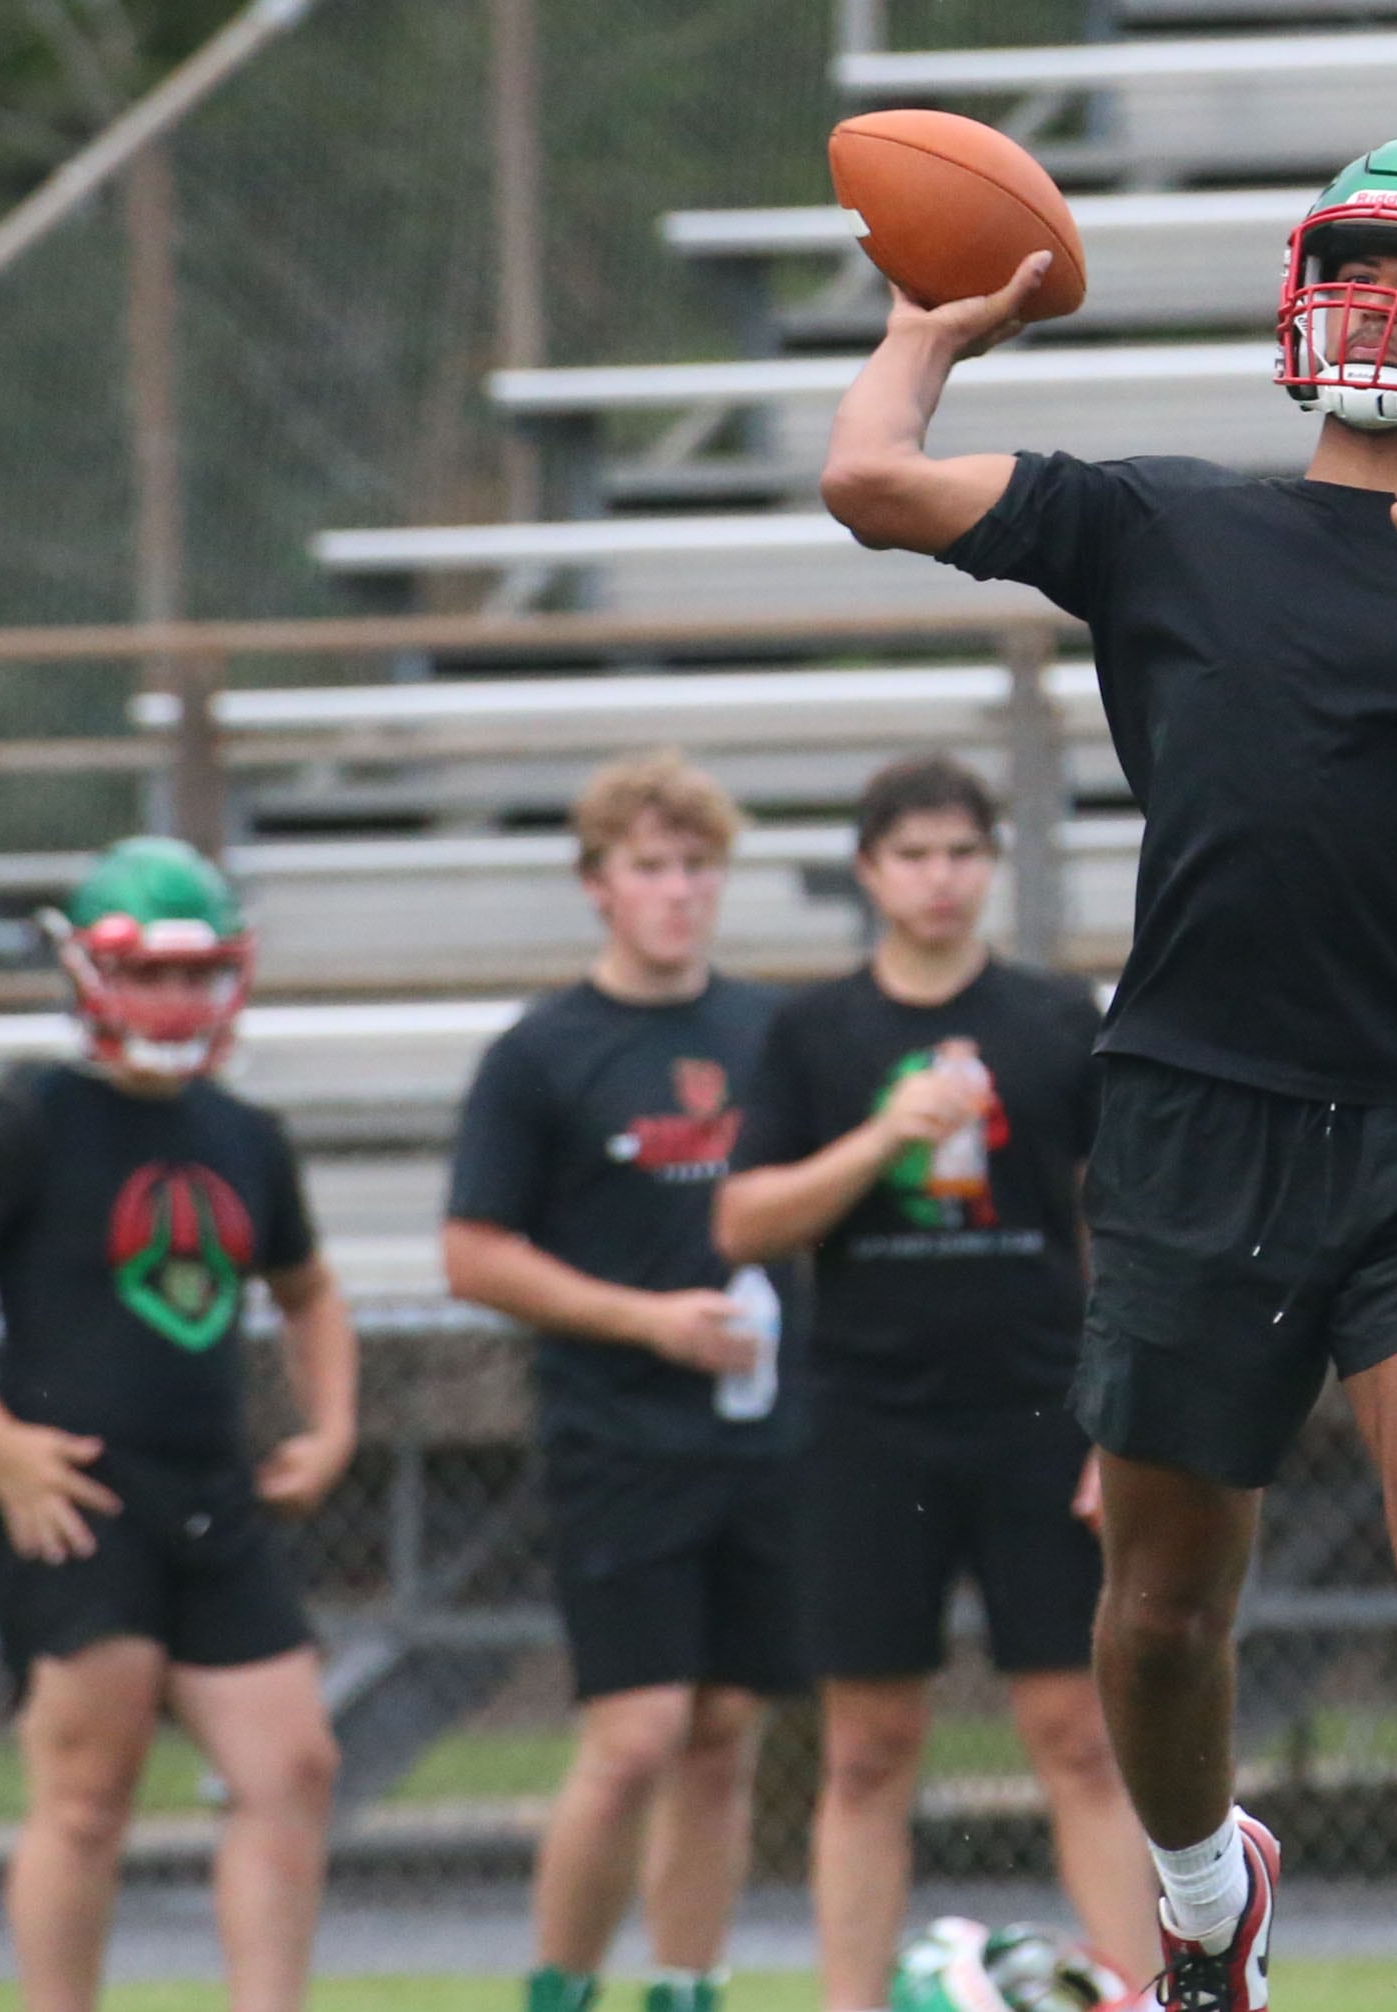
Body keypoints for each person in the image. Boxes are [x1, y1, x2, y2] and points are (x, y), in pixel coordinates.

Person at [819, 135, 1397, 2012]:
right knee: (1165, 1604)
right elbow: (865, 476)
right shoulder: (1170, 523)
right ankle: (1208, 1905)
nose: (1383, 303)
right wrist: (928, 322)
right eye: (1360, 264)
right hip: (1195, 1116)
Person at [0, 836, 354, 2012]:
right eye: (151, 973)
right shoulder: (30, 1116)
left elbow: (310, 1289)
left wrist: (332, 1426)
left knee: (291, 1764)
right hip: (77, 1492)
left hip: (213, 1491)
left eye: (198, 975)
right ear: (88, 972)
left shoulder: (244, 1132)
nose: (175, 1000)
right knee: (89, 1791)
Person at [715, 754, 1155, 2012]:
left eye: (962, 851)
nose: (939, 876)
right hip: (869, 1425)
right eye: (912, 854)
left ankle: (1130, 1993)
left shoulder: (1053, 1018)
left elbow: (1122, 1221)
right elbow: (743, 1223)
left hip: (1037, 1414)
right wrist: (884, 1134)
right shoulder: (813, 1031)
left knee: (1078, 1737)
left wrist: (1113, 1418)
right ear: (867, 871)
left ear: (989, 864)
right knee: (864, 1749)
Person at [440, 753, 799, 2012]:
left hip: (767, 1436)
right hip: (617, 1435)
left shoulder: (770, 1032)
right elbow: (471, 1252)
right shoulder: (542, 1052)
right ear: (598, 883)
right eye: (651, 866)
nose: (679, 891)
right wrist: (646, 1320)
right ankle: (561, 1986)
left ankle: (688, 1986)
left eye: (698, 865)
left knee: (720, 1736)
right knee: (633, 1733)